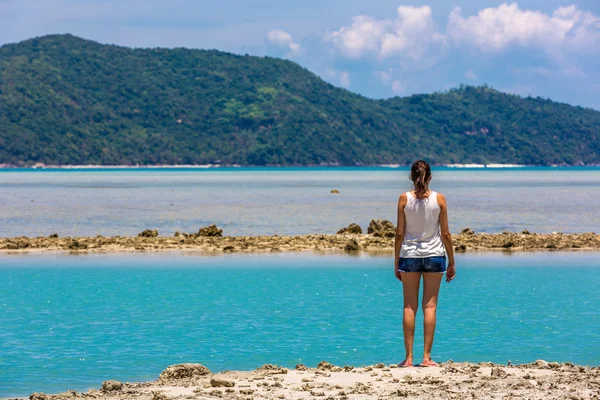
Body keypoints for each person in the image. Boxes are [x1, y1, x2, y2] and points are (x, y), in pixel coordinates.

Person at [394, 159, 456, 367]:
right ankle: (427, 358)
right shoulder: (440, 200)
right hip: (435, 255)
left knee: (409, 306)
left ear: (411, 177)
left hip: (409, 255)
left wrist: (396, 261)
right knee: (430, 306)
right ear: (430, 177)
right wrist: (452, 261)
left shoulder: (404, 199)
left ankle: (409, 358)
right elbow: (445, 233)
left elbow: (400, 233)